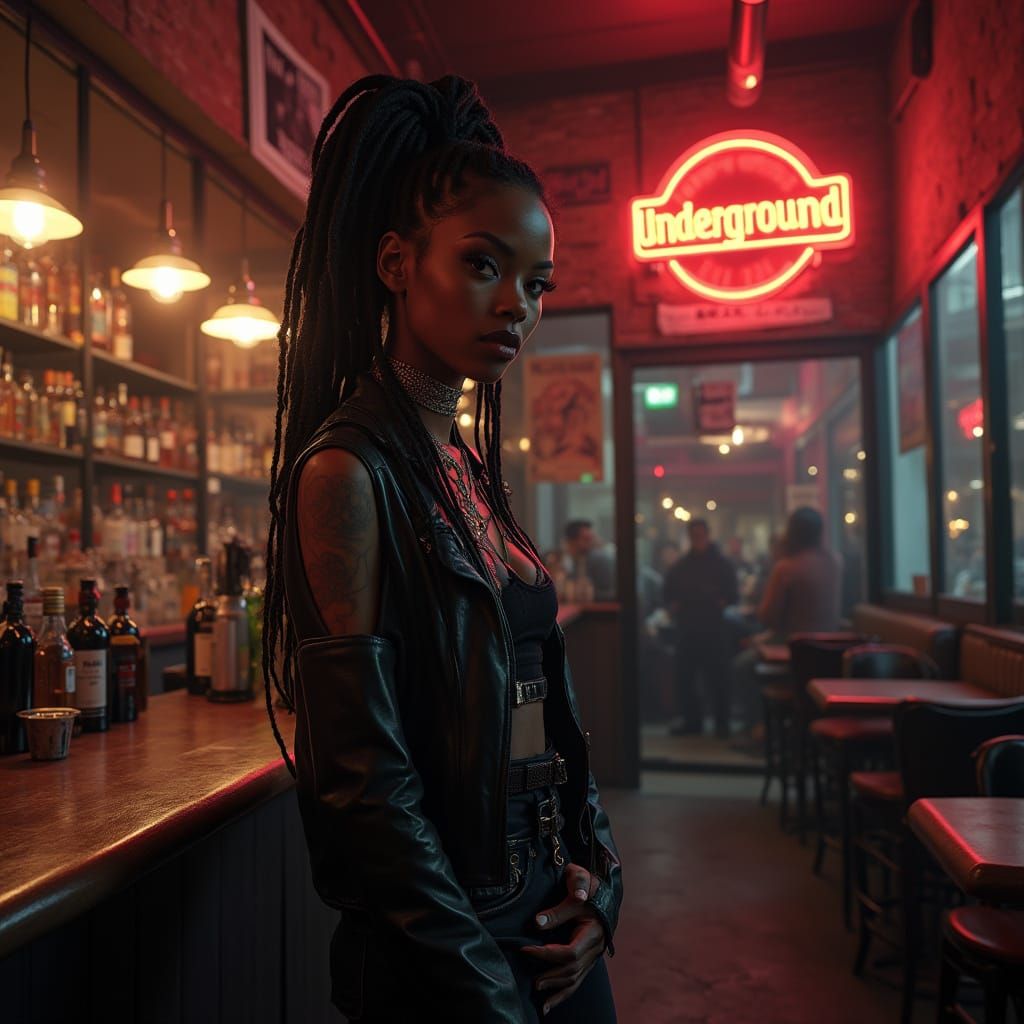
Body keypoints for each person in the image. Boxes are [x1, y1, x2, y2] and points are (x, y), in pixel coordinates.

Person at [260, 75, 621, 1023]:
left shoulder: (466, 462)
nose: (518, 306)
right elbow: (362, 786)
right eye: (482, 266)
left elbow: (549, 701)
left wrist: (600, 884)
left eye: (537, 283)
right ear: (394, 262)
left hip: (550, 908)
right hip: (452, 949)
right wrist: (480, 983)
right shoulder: (348, 471)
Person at [732, 507, 842, 734]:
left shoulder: (786, 567)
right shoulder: (834, 562)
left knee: (742, 666)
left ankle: (760, 728)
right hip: (831, 650)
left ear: (791, 533)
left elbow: (768, 617)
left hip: (795, 646)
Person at [661, 519, 738, 738]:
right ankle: (696, 721)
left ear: (707, 535)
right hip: (691, 627)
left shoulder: (716, 564)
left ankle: (720, 722)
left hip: (710, 627)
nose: (698, 539)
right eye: (694, 535)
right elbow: (668, 596)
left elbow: (732, 595)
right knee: (687, 677)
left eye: (700, 534)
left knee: (717, 677)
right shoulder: (686, 565)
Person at [562, 520, 616, 601]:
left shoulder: (598, 558)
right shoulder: (578, 559)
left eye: (590, 537)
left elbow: (609, 592)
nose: (591, 540)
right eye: (586, 538)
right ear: (572, 541)